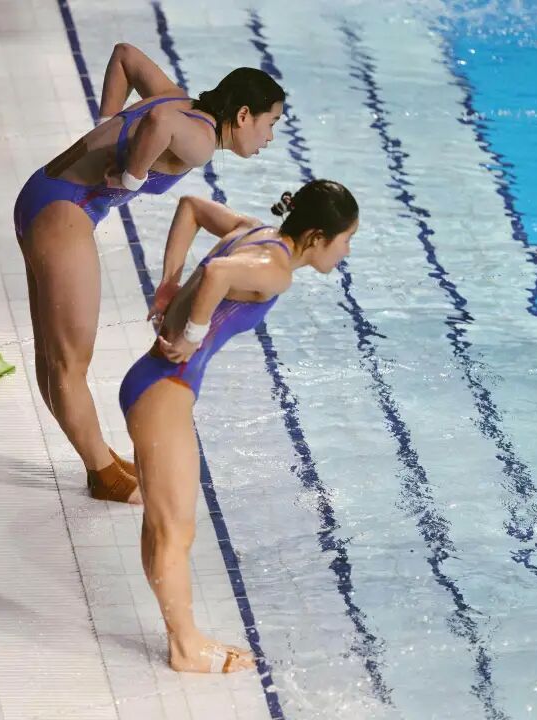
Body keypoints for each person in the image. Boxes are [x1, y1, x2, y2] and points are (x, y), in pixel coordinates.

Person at [13, 43, 285, 505]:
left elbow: (125, 56)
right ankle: (102, 474)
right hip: (64, 213)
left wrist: (107, 123)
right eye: (271, 123)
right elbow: (158, 124)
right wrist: (133, 175)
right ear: (243, 115)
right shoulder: (201, 140)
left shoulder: (174, 96)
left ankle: (97, 458)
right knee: (69, 361)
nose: (270, 138)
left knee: (55, 356)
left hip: (45, 195)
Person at [119, 180, 360, 672]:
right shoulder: (274, 268)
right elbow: (217, 272)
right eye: (346, 239)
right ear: (317, 237)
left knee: (164, 525)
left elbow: (191, 207)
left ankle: (182, 637)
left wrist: (168, 284)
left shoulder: (255, 231)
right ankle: (185, 648)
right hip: (164, 392)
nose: (347, 251)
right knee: (175, 531)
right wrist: (192, 332)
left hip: (156, 386)